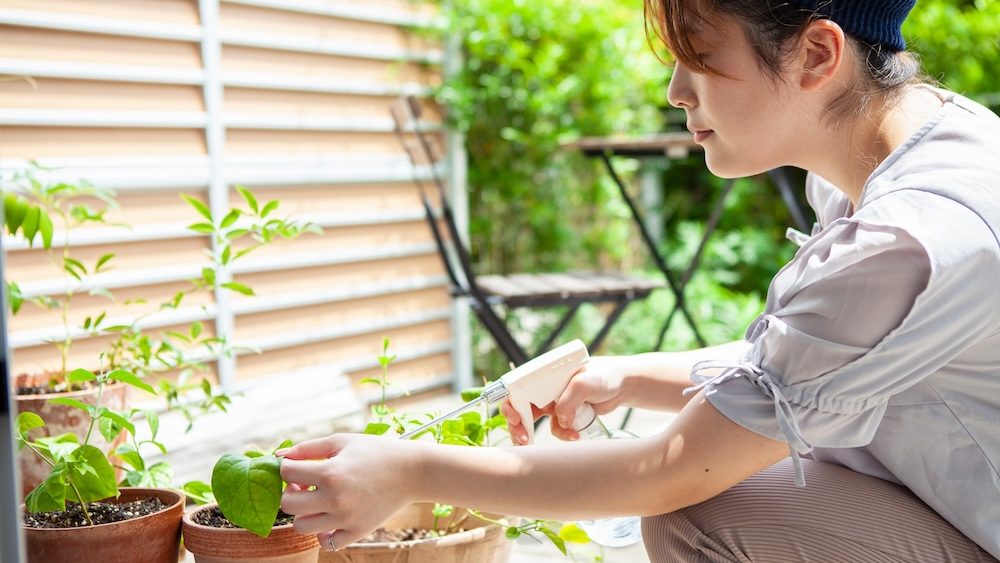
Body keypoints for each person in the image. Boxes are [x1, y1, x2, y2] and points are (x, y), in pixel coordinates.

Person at [277, 0, 1000, 560]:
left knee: (699, 513)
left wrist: (411, 470)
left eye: (699, 55)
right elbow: (814, 366)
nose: (674, 90)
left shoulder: (906, 237)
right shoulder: (924, 142)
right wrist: (625, 375)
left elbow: (670, 470)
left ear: (818, 52)